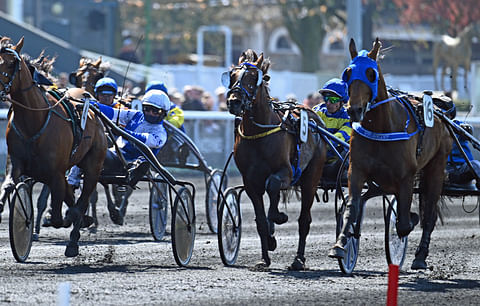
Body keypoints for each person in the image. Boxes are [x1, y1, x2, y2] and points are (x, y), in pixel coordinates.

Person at [67, 89, 169, 189]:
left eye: (155, 111)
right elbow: (112, 112)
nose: (150, 113)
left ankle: (134, 172)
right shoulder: (136, 115)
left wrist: (123, 132)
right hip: (116, 155)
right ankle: (71, 183)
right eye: (147, 109)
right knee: (88, 148)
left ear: (163, 113)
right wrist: (93, 105)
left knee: (139, 163)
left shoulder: (160, 133)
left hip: (130, 162)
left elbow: (144, 139)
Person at [312, 78, 352, 181]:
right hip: (316, 159)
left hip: (336, 162)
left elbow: (339, 138)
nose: (328, 103)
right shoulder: (317, 111)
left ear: (342, 101)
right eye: (326, 99)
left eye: (333, 100)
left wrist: (321, 144)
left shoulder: (348, 117)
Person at [445, 105, 480, 188]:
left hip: (462, 169)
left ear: (451, 115)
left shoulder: (458, 125)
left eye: (446, 114)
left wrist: (466, 129)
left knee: (476, 165)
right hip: (444, 170)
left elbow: (469, 129)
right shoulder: (432, 130)